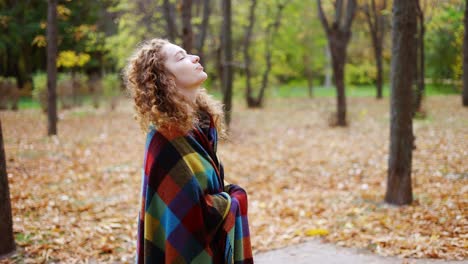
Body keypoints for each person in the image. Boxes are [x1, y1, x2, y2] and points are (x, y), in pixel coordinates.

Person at [123, 38, 253, 264]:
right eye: (181, 57)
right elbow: (189, 216)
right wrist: (234, 197)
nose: (195, 58)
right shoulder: (166, 138)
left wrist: (226, 197)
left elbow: (205, 197)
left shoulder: (201, 127)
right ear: (164, 79)